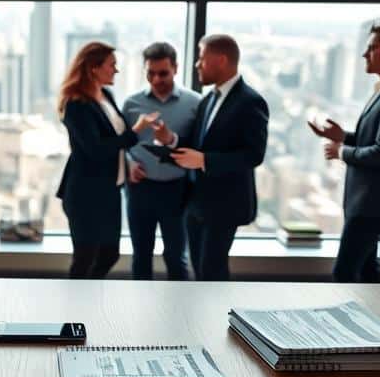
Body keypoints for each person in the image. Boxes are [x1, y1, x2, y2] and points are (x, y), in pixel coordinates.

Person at [308, 23, 380, 282]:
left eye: (372, 48)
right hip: (369, 200)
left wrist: (341, 151)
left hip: (374, 203)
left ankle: (341, 322)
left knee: (344, 271)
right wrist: (341, 136)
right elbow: (377, 140)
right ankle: (372, 320)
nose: (364, 54)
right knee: (368, 269)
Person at [154, 34, 268, 281]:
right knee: (199, 270)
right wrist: (170, 140)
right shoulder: (208, 99)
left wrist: (205, 160)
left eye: (202, 58)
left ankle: (220, 319)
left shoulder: (250, 102)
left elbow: (254, 155)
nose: (197, 65)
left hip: (225, 205)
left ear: (221, 60)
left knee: (212, 273)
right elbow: (198, 145)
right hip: (196, 203)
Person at [56, 41, 161, 279]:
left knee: (109, 254)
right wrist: (136, 131)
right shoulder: (76, 105)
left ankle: (87, 300)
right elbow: (96, 150)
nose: (116, 70)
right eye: (112, 65)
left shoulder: (106, 95)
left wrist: (129, 164)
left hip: (110, 191)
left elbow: (114, 143)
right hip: (85, 194)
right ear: (94, 68)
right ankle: (75, 310)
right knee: (84, 258)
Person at [122, 42, 202, 280]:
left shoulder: (195, 103)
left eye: (163, 73)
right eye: (150, 73)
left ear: (175, 69)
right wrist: (128, 163)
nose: (156, 79)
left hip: (177, 190)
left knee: (176, 257)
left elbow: (200, 147)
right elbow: (122, 144)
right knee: (140, 256)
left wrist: (171, 139)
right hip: (139, 189)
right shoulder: (131, 104)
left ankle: (180, 315)